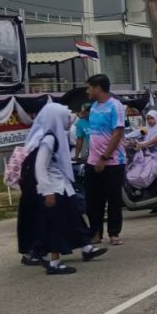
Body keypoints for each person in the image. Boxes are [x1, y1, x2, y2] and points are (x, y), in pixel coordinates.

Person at [17, 103, 108, 274]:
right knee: (55, 225)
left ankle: (83, 248)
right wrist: (47, 191)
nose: (70, 119)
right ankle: (52, 262)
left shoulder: (56, 136)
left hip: (61, 186)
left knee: (71, 217)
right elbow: (40, 167)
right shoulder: (49, 139)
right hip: (53, 188)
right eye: (65, 117)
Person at [84, 74, 127, 245]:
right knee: (93, 200)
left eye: (89, 88)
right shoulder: (94, 107)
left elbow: (117, 133)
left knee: (113, 198)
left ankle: (114, 233)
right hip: (92, 160)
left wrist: (104, 157)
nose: (87, 91)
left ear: (98, 88)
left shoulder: (115, 106)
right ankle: (95, 233)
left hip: (113, 162)